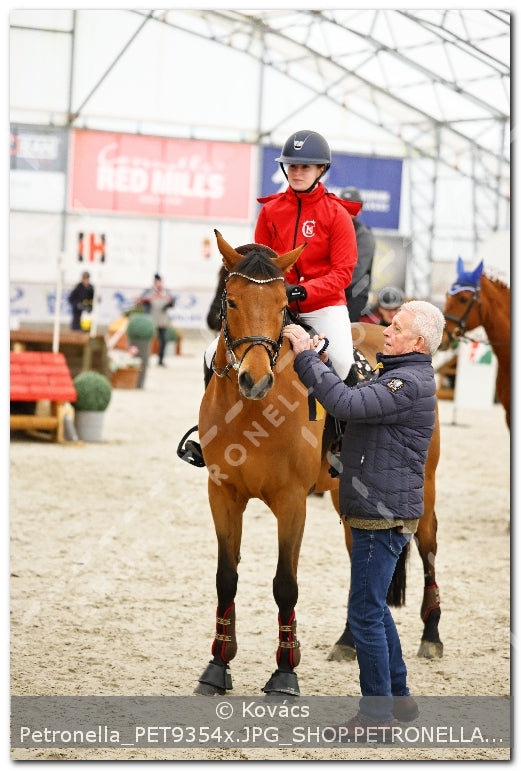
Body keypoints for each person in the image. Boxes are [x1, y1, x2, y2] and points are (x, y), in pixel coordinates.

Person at [283, 299, 445, 740]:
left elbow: (344, 403)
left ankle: (376, 717)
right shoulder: (397, 374)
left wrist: (304, 357)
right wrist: (322, 359)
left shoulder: (404, 383)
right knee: (374, 607)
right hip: (381, 509)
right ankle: (399, 696)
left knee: (364, 613)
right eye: (389, 325)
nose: (386, 330)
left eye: (397, 328)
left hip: (380, 515)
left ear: (418, 342)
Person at [254, 129, 361, 382]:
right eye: (292, 166)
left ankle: (347, 408)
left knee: (342, 362)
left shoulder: (337, 214)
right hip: (278, 305)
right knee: (218, 351)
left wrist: (303, 291)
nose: (297, 172)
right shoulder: (269, 211)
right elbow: (261, 264)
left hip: (324, 306)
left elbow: (342, 274)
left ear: (320, 170)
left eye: (305, 167)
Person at [340, 186, 376, 322]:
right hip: (334, 290)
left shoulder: (364, 235)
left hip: (354, 294)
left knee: (348, 330)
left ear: (359, 209)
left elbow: (357, 270)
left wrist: (329, 286)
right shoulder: (331, 229)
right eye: (344, 205)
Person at [139, 274, 175, 367]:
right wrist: (153, 297)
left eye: (160, 281)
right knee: (147, 340)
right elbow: (141, 300)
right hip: (151, 319)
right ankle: (145, 359)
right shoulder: (149, 291)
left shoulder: (166, 292)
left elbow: (172, 302)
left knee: (163, 341)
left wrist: (166, 300)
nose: (159, 284)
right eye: (157, 282)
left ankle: (160, 360)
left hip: (162, 320)